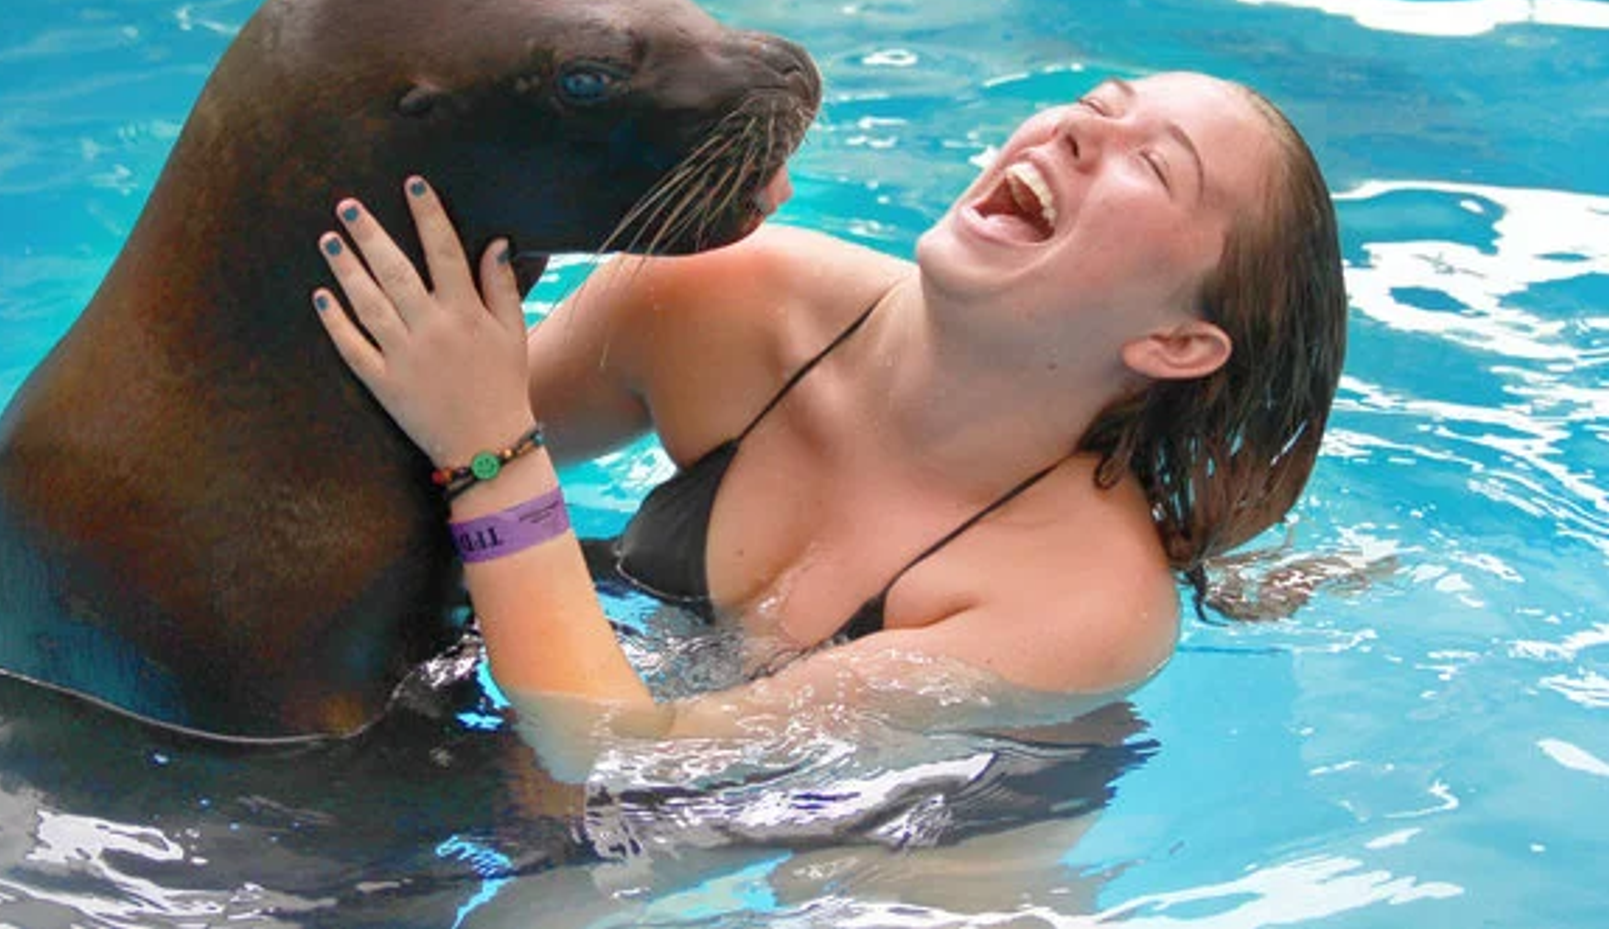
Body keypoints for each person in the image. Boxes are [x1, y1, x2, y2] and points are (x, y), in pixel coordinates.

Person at [309, 71, 1347, 777]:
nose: (1074, 130)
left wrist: (494, 457)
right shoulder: (727, 300)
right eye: (1093, 105)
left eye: (1153, 165)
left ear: (1175, 344)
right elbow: (405, 430)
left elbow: (621, 756)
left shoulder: (1081, 606)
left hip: (916, 827)